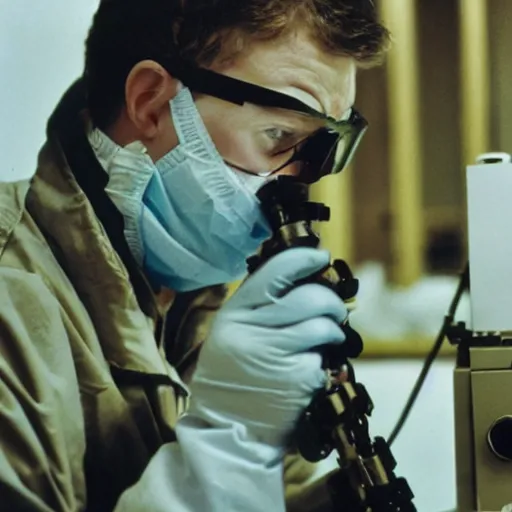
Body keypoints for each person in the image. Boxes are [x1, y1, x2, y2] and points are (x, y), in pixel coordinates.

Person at [0, 0, 389, 510]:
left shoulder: (200, 301)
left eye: (322, 147)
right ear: (150, 104)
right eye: (279, 136)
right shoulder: (13, 295)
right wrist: (229, 448)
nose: (301, 184)